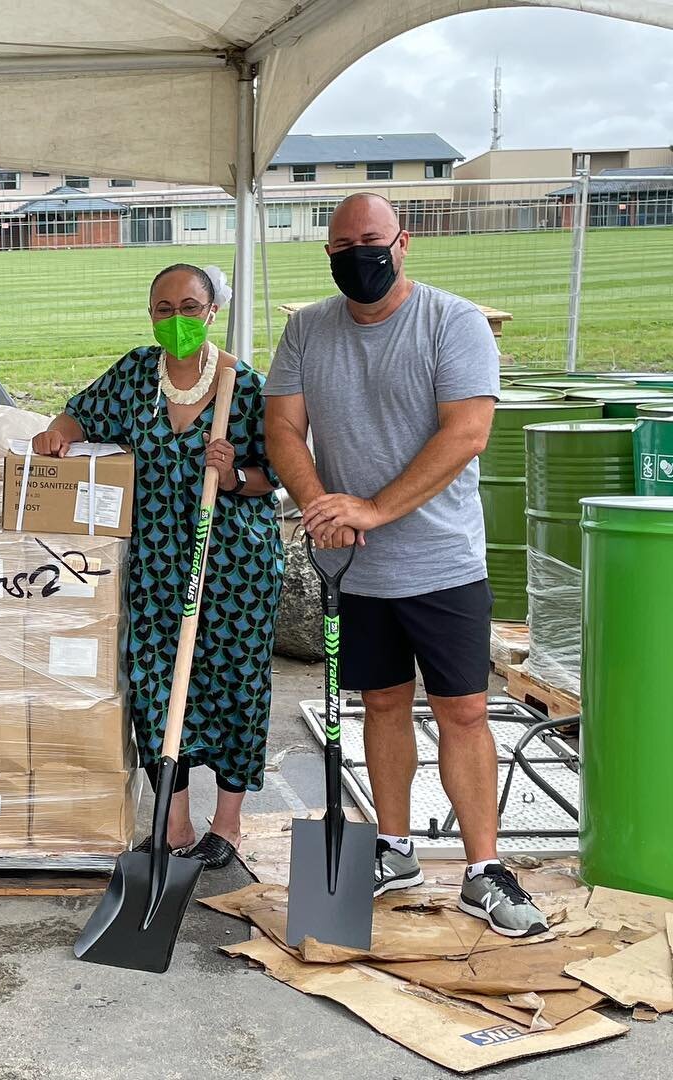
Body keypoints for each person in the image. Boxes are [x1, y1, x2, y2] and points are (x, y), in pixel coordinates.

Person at [264, 193, 550, 937]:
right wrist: (321, 500)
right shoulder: (306, 330)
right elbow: (284, 426)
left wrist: (374, 509)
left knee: (464, 710)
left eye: (372, 239)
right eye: (343, 245)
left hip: (441, 560)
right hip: (356, 568)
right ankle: (393, 848)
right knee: (382, 705)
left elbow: (468, 433)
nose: (359, 254)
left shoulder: (452, 322)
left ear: (404, 242)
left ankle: (483, 869)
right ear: (327, 254)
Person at [32, 263, 283, 867]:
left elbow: (275, 477)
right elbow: (79, 413)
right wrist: (56, 434)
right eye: (164, 309)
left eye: (190, 307)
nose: (177, 320)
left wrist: (232, 477)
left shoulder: (244, 387)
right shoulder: (135, 376)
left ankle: (228, 822)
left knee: (233, 685)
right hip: (154, 562)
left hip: (234, 565)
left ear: (212, 312)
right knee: (152, 682)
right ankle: (172, 823)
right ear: (151, 316)